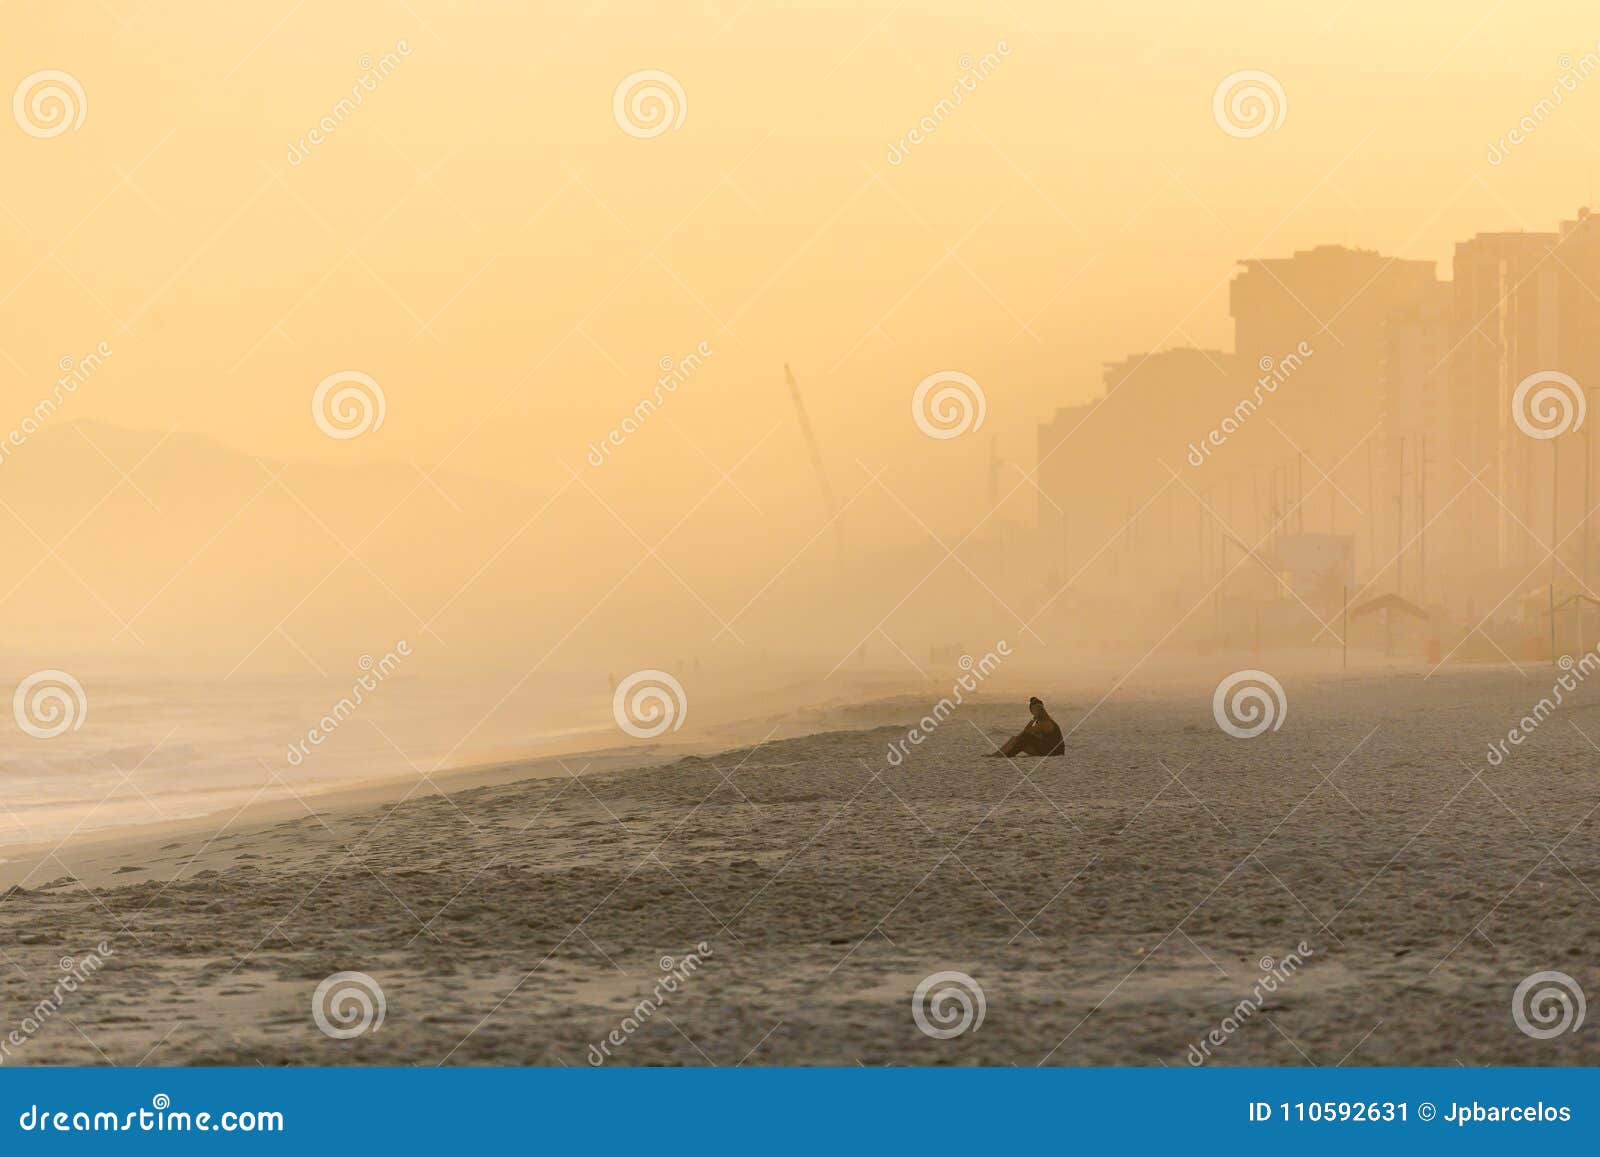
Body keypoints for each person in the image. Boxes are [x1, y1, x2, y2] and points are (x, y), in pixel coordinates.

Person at [985, 696, 1065, 757]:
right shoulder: (1042, 721)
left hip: (1054, 753)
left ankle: (1003, 755)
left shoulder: (1044, 723)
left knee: (1023, 738)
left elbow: (1026, 732)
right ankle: (998, 754)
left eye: (1038, 710)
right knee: (1018, 739)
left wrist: (1032, 720)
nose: (1038, 711)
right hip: (1050, 751)